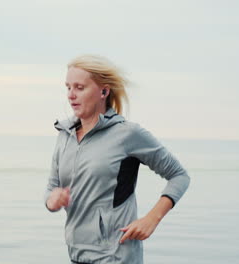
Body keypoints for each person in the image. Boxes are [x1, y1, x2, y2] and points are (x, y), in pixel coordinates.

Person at [43, 54, 190, 264]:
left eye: (79, 87)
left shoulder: (127, 134)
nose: (71, 95)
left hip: (116, 256)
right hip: (77, 255)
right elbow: (51, 187)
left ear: (103, 91)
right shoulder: (64, 135)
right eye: (68, 87)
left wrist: (152, 219)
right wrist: (53, 199)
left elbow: (179, 176)